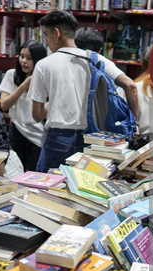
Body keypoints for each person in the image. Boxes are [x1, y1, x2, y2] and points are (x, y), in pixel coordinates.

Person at [30, 11, 139, 172]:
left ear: (57, 34)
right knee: (85, 190)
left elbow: (37, 114)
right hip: (93, 139)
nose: (46, 41)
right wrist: (135, 123)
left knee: (47, 188)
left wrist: (56, 103)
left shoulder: (43, 65)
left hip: (58, 139)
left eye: (46, 35)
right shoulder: (96, 59)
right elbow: (131, 86)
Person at [0, 40, 47, 172]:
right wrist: (24, 85)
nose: (24, 61)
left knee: (33, 174)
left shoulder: (45, 78)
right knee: (15, 172)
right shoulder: (11, 75)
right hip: (17, 131)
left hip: (39, 134)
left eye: (29, 58)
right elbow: (4, 105)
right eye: (21, 56)